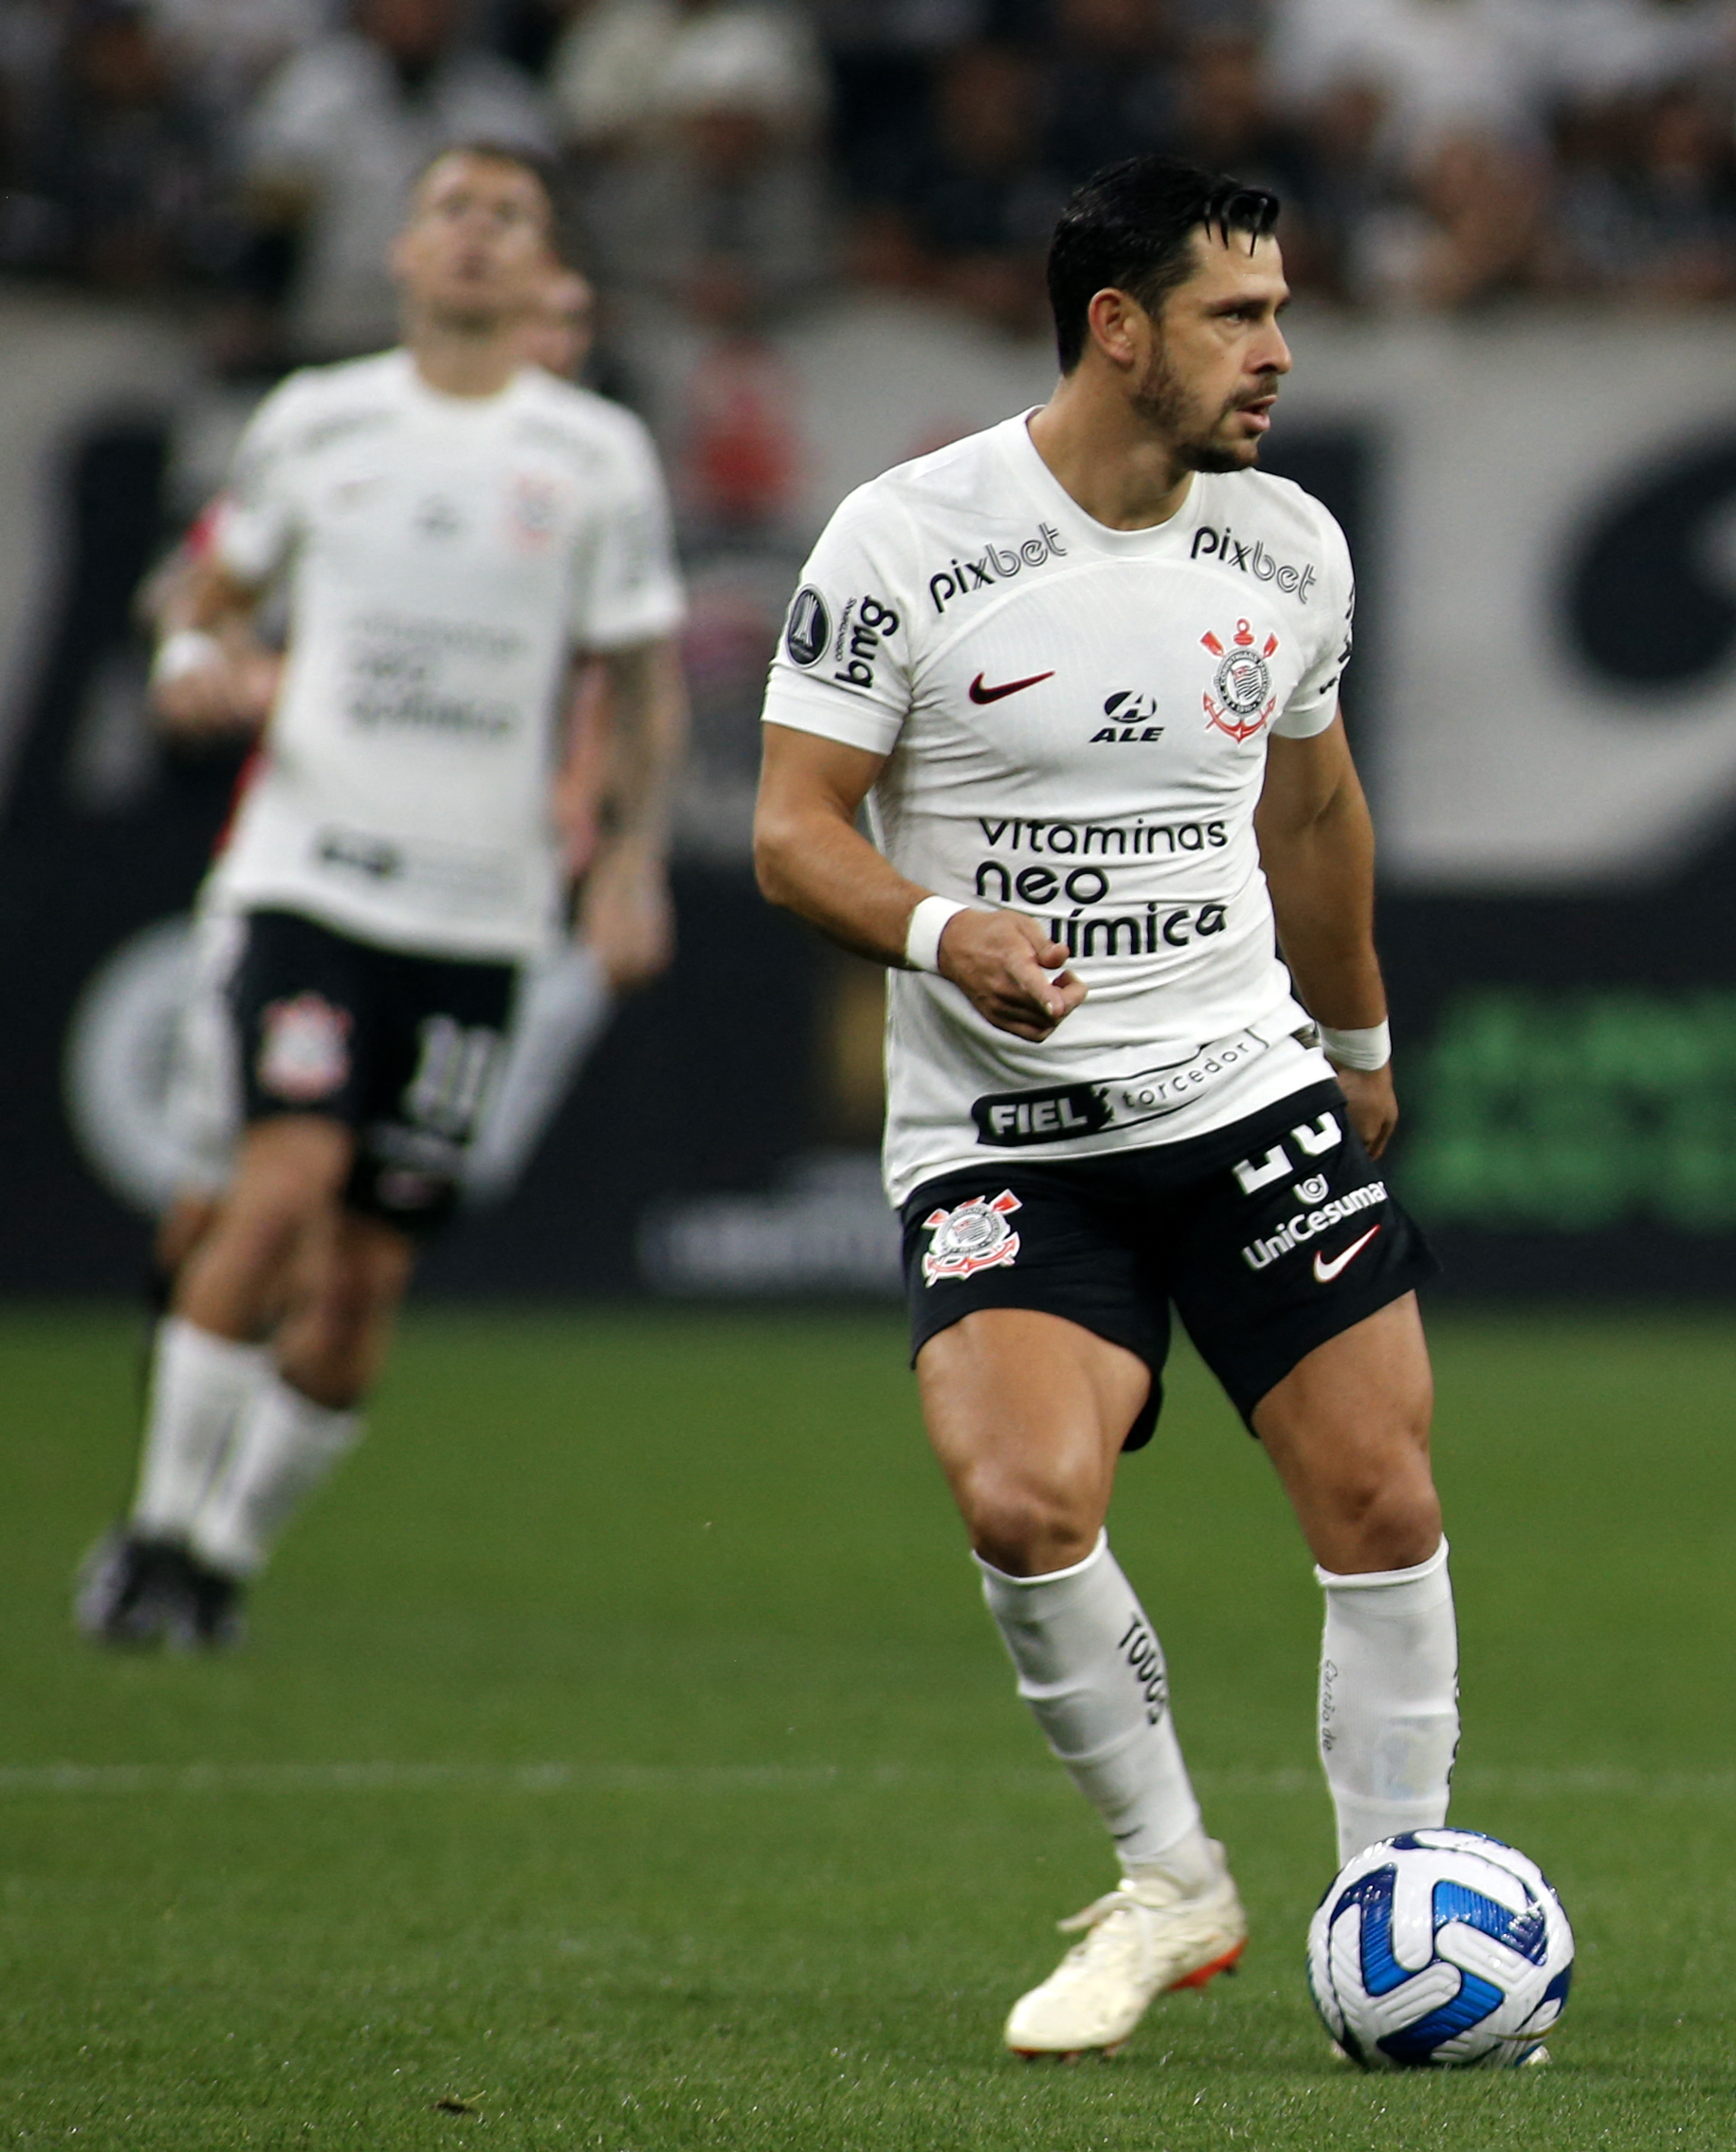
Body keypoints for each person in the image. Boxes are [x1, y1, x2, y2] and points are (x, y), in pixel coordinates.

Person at [749, 155, 1453, 2060]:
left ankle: (1398, 1920)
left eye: (1282, 311)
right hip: (1004, 1130)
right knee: (1021, 1494)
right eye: (1239, 314)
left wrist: (1363, 1040)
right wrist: (937, 923)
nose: (1279, 352)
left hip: (1239, 1087)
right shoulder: (908, 538)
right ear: (1117, 326)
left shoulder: (1288, 543)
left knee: (1380, 1493)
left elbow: (1313, 812)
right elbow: (790, 832)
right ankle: (1172, 1877)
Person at [75, 147, 688, 1650]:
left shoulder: (594, 455)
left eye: (508, 218)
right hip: (310, 877)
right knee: (275, 1185)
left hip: (477, 912)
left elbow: (642, 676)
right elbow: (206, 591)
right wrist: (183, 663)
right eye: (451, 212)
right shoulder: (317, 421)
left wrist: (625, 858)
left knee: (359, 1282)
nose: (475, 239)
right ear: (403, 253)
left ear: (551, 272)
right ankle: (155, 1530)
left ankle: (222, 1551)